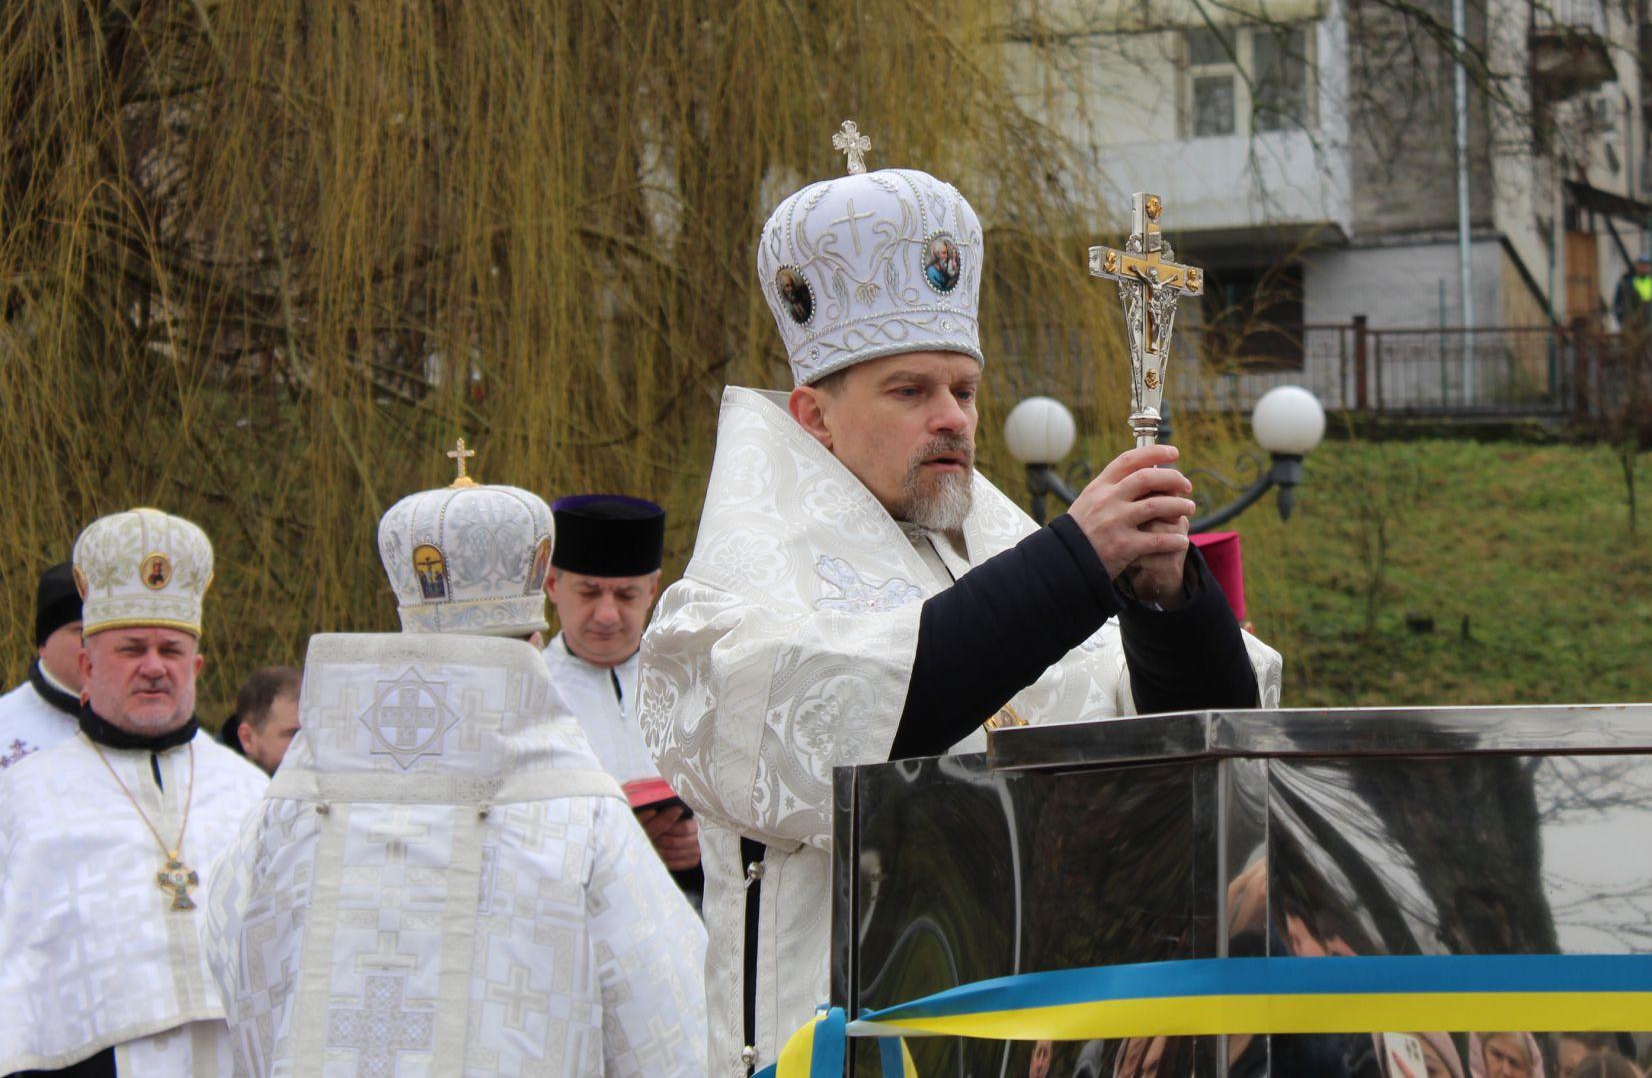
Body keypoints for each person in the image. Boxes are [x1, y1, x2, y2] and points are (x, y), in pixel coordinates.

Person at [639, 123, 1284, 1073]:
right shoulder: (732, 603)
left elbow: (1198, 764)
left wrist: (1166, 605)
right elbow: (856, 733)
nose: (953, 417)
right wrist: (1075, 565)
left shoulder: (1016, 558)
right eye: (910, 391)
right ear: (813, 417)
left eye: (966, 389)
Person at [204, 453, 709, 1075]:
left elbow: (230, 944)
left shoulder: (300, 792)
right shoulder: (578, 807)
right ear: (533, 639)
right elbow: (666, 1009)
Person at [0, 509, 269, 1074]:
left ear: (196, 666)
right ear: (86, 665)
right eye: (131, 649)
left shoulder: (250, 790)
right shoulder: (24, 797)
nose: (153, 667)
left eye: (170, 651)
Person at [540, 492, 703, 907]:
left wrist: (705, 842)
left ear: (652, 590)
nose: (608, 615)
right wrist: (620, 842)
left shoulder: (696, 682)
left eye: (627, 595)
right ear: (553, 584)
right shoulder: (531, 691)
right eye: (589, 593)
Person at [0, 561, 85, 771]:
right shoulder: (4, 725)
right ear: (43, 644)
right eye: (81, 630)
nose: (97, 644)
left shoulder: (153, 722)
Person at [228, 664, 301, 775]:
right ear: (247, 738)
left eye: (315, 735)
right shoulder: (215, 782)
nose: (311, 748)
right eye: (294, 735)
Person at [1613, 254, 1652, 326]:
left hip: (1650, 322)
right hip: (1631, 322)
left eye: (1646, 265)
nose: (1644, 268)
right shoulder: (1627, 283)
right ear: (1637, 266)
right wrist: (1621, 318)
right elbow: (1618, 303)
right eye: (1642, 265)